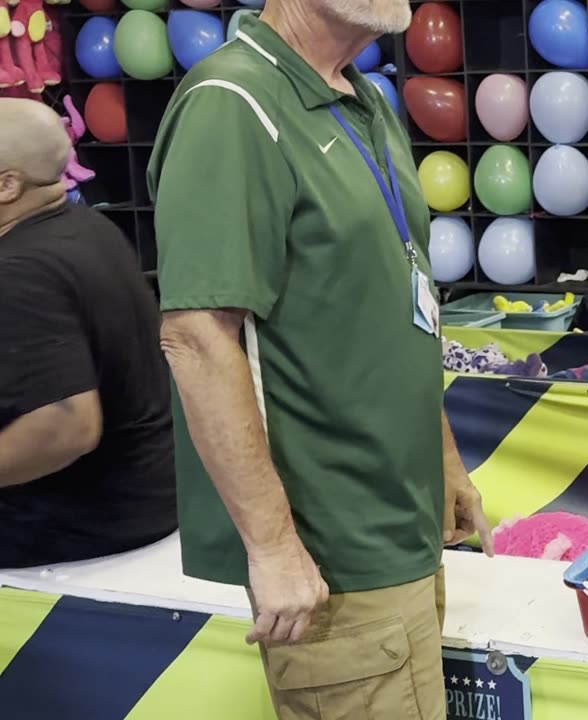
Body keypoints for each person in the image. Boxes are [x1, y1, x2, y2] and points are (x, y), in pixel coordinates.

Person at [146, 1, 492, 717]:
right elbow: (199, 338)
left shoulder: (359, 97)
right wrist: (272, 548)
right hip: (332, 553)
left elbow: (394, 299)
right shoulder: (232, 104)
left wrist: (443, 457)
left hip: (401, 525)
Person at [0, 98, 175, 568]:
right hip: (144, 493)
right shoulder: (84, 227)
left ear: (7, 185)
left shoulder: (19, 272)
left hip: (81, 522)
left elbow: (66, 425)